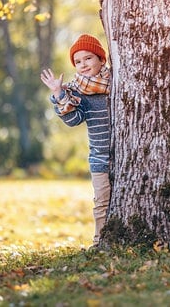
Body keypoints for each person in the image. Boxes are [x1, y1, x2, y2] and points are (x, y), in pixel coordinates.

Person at [40, 33, 112, 249]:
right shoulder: (78, 91)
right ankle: (100, 241)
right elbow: (73, 120)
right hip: (100, 157)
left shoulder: (117, 82)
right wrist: (58, 93)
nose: (83, 64)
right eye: (78, 61)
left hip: (127, 155)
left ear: (102, 59)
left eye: (88, 58)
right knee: (102, 203)